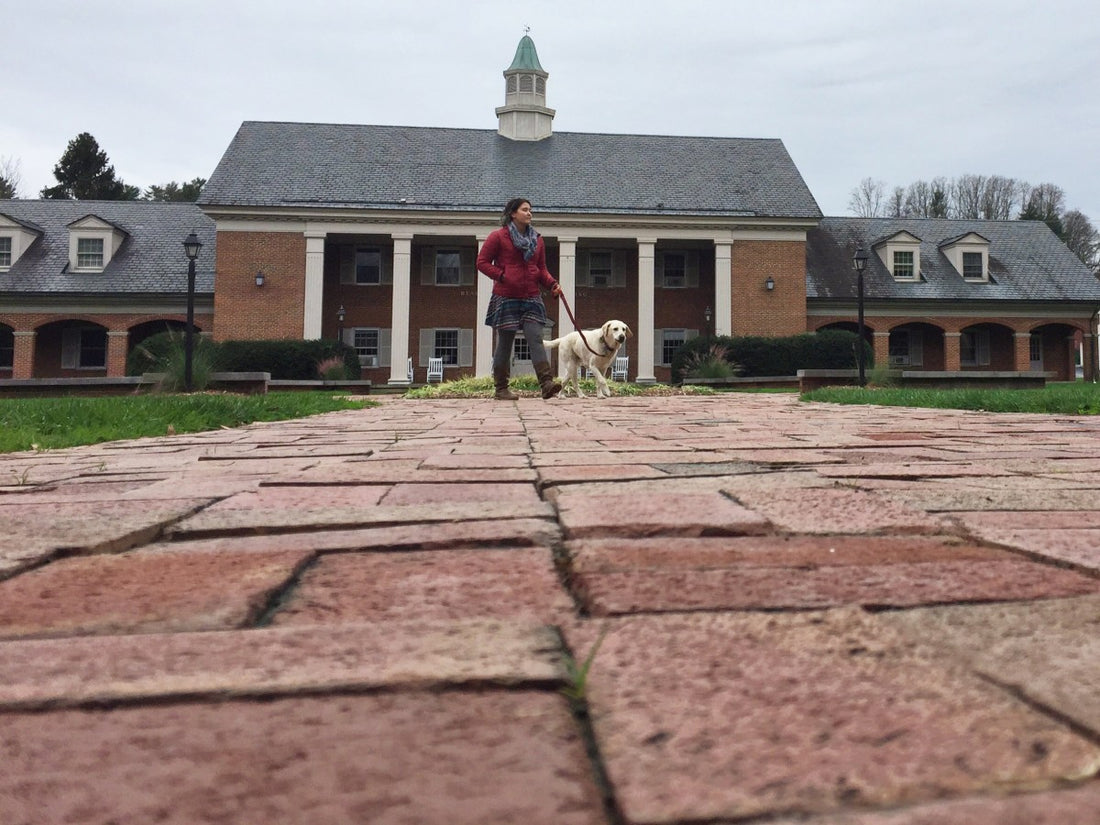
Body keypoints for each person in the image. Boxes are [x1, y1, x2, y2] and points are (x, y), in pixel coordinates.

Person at [477, 197, 563, 400]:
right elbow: (482, 262)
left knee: (535, 338)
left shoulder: (537, 240)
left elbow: (540, 269)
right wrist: (502, 275)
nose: (529, 213)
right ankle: (501, 389)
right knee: (505, 343)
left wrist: (552, 283)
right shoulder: (498, 237)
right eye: (525, 210)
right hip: (506, 297)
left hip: (531, 297)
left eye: (530, 210)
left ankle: (546, 384)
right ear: (513, 213)